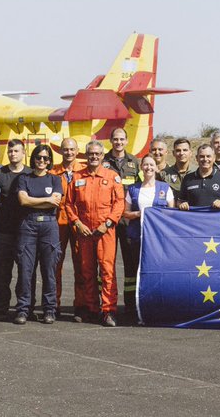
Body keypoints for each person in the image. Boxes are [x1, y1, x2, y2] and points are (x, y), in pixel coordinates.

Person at [63, 140, 125, 327]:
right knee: (87, 272)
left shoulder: (112, 176)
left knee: (107, 272)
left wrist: (107, 224)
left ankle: (108, 311)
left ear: (102, 155)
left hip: (105, 231)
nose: (94, 157)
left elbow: (119, 203)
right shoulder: (76, 177)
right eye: (91, 154)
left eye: (97, 154)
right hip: (85, 232)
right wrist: (77, 223)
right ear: (86, 154)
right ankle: (91, 309)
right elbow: (68, 204)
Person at [14, 144, 62, 324]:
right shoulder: (24, 178)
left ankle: (49, 309)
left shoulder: (55, 180)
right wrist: (46, 200)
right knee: (25, 270)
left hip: (49, 227)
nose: (42, 161)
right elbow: (23, 200)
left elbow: (55, 203)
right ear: (33, 158)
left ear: (50, 160)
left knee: (49, 271)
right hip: (28, 226)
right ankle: (24, 309)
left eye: (46, 158)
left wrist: (40, 202)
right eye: (39, 157)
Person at [122, 155, 175, 320]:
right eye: (145, 165)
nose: (148, 168)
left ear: (156, 168)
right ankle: (133, 308)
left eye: (151, 165)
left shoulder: (165, 188)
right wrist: (139, 214)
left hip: (158, 240)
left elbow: (172, 214)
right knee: (135, 272)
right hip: (137, 238)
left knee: (156, 272)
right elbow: (125, 214)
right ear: (141, 168)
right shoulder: (132, 189)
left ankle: (158, 306)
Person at [103, 127, 140, 311]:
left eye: (122, 139)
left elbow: (141, 188)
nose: (118, 142)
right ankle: (104, 303)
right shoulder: (103, 162)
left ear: (126, 141)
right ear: (111, 140)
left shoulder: (134, 162)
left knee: (130, 263)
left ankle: (131, 304)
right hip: (107, 221)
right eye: (115, 139)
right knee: (105, 264)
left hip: (127, 221)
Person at [0, 139, 27, 317]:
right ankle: (0, 306)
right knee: (2, 272)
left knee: (25, 272)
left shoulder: (30, 173)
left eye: (17, 151)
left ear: (23, 153)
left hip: (25, 231)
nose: (13, 154)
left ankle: (24, 307)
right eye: (11, 151)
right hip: (3, 230)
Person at [52, 138, 85, 315]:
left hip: (78, 222)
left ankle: (80, 305)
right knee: (55, 264)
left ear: (77, 150)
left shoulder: (85, 171)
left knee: (81, 264)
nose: (69, 153)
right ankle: (53, 304)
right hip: (58, 222)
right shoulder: (53, 172)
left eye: (72, 149)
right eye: (65, 149)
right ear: (61, 151)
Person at [178, 144, 220, 210]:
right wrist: (182, 204)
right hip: (194, 219)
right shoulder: (187, 178)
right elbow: (180, 201)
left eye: (208, 156)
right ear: (197, 158)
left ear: (214, 158)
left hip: (216, 219)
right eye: (202, 156)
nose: (205, 159)